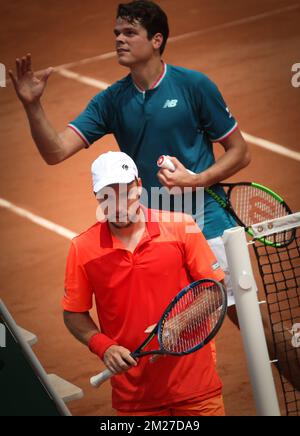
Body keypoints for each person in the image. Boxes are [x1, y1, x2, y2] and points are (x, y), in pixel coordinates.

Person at [9, 0, 250, 315]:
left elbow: (240, 152)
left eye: (130, 32)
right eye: (117, 33)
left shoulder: (194, 86)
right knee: (172, 328)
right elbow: (55, 151)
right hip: (155, 235)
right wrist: (32, 106)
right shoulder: (110, 101)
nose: (119, 39)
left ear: (156, 40)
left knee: (245, 321)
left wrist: (197, 180)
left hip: (206, 222)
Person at [63, 151, 226, 416]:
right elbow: (73, 312)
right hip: (135, 400)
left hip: (195, 389)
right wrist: (103, 346)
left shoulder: (181, 227)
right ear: (97, 198)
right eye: (107, 195)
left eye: (125, 192)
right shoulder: (82, 249)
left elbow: (214, 290)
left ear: (138, 187)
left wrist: (177, 323)